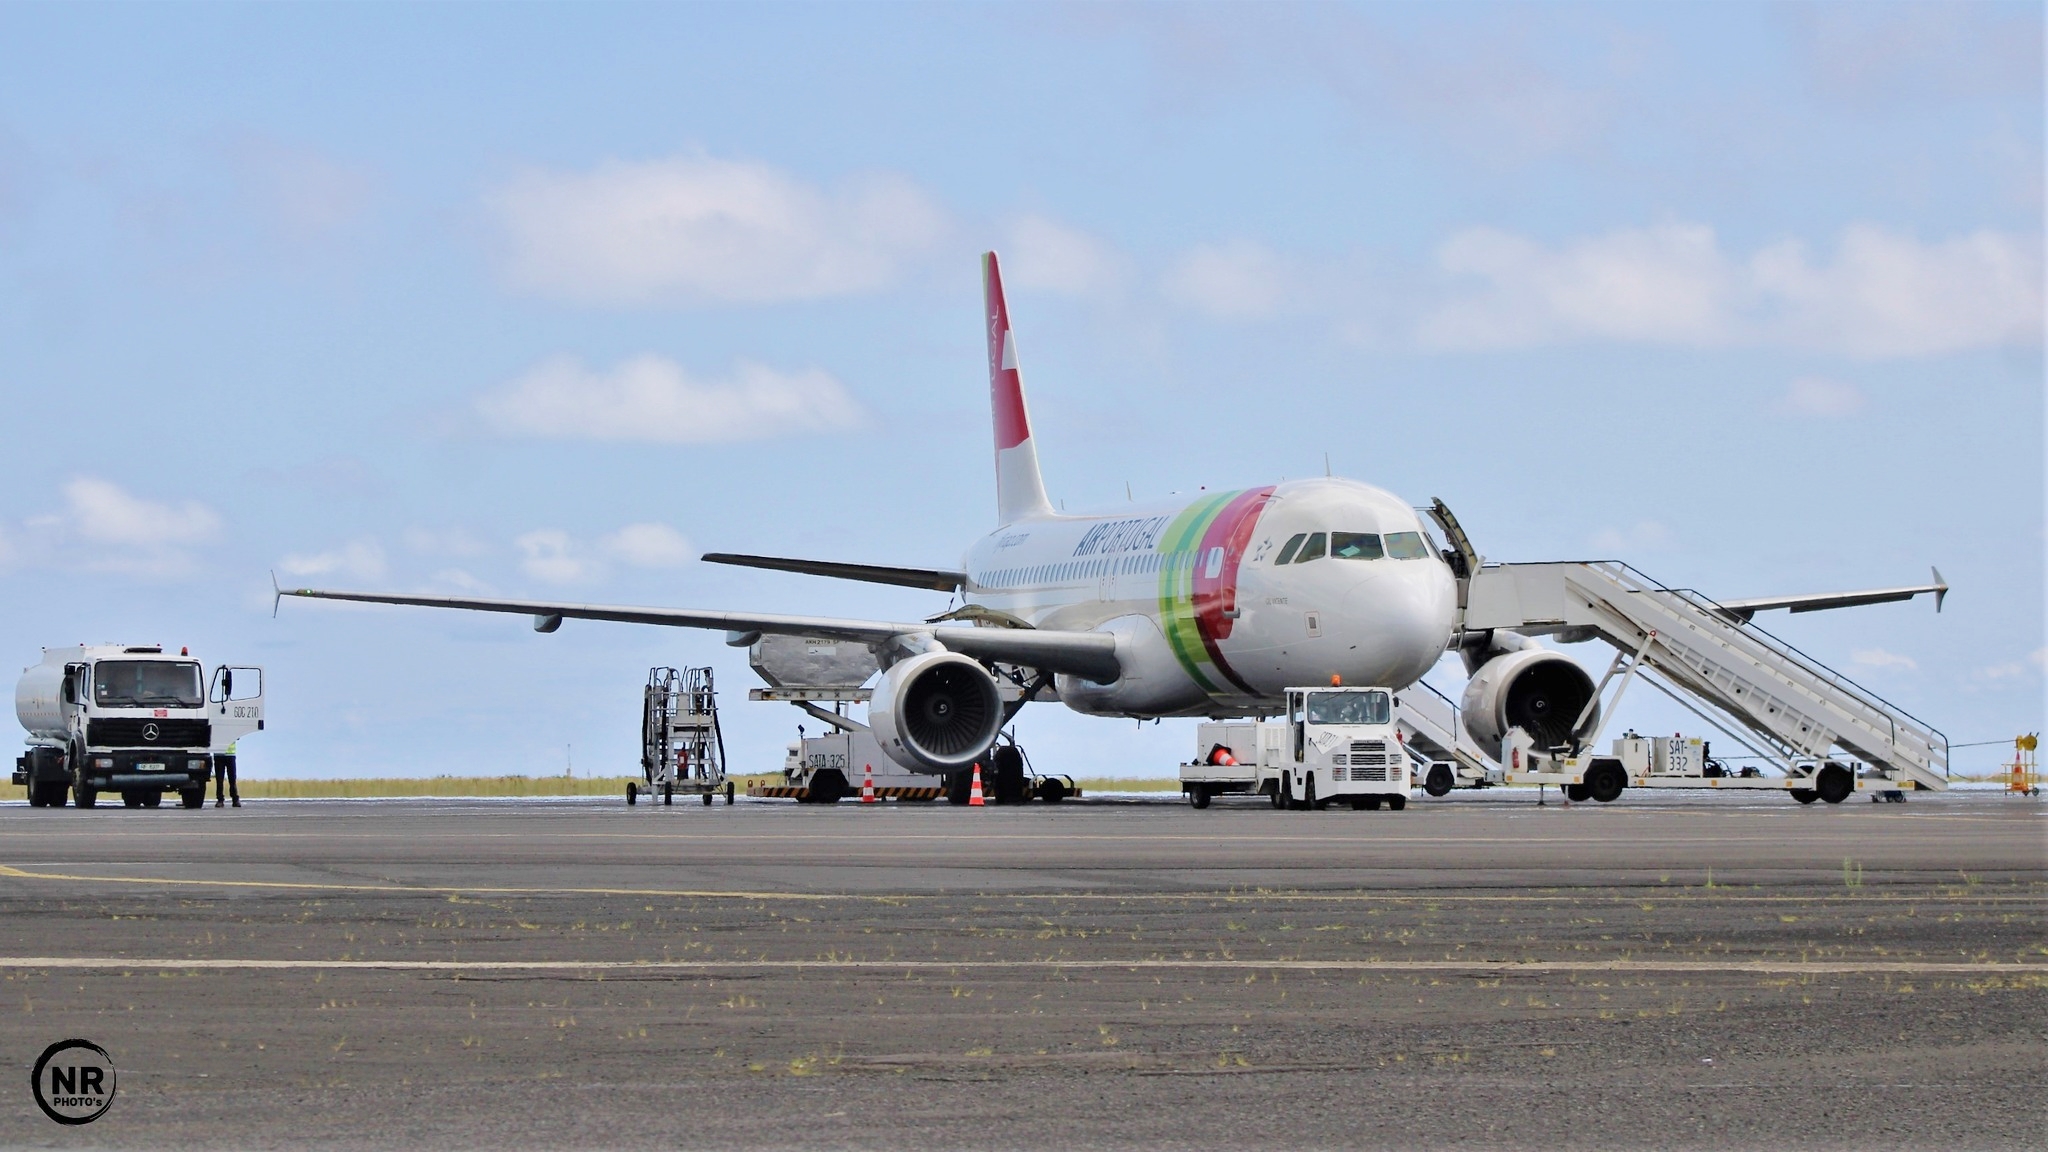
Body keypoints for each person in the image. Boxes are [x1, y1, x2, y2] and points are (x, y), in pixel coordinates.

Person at [215, 741, 240, 808]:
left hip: (230, 754)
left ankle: (235, 799)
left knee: (232, 779)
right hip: (219, 754)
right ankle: (220, 800)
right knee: (219, 779)